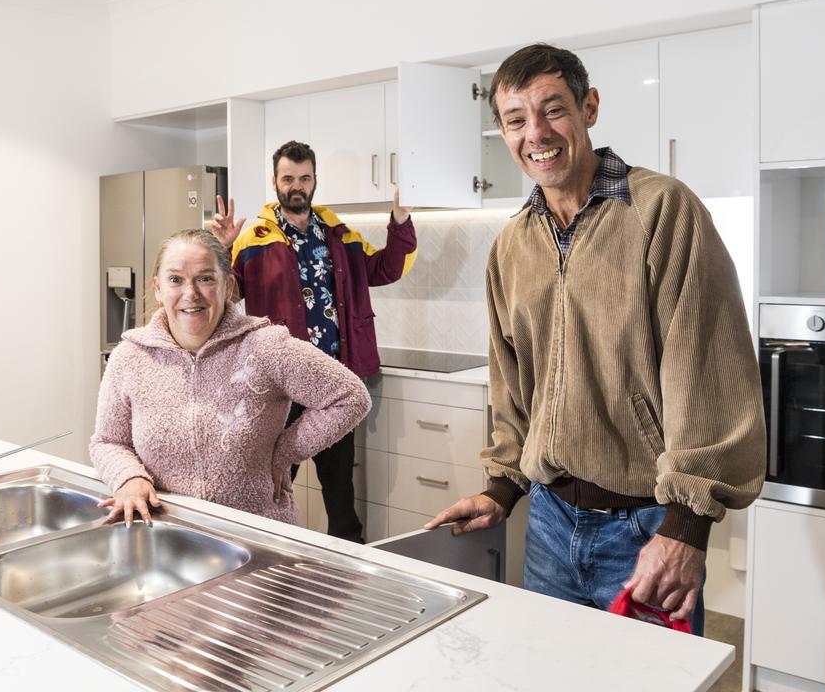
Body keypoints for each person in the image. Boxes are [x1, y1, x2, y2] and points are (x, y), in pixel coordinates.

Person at [425, 43, 765, 636]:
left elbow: (708, 376)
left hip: (646, 531)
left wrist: (684, 531)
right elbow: (513, 385)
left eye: (552, 109)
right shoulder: (513, 244)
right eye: (515, 120)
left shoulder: (662, 211)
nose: (537, 133)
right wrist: (502, 488)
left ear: (589, 107)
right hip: (550, 526)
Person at [90, 228, 371, 527]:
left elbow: (351, 396)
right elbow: (108, 442)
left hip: (257, 536)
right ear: (158, 288)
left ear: (228, 286)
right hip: (166, 536)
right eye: (175, 280)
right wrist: (129, 478)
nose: (190, 293)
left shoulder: (265, 346)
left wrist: (284, 452)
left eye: (205, 278)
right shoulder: (130, 356)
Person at [211, 140, 417, 543]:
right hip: (280, 386)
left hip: (333, 383)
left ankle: (349, 561)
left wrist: (401, 216)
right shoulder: (254, 238)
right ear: (275, 182)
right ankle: (263, 551)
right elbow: (224, 297)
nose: (297, 186)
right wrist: (223, 248)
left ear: (315, 180)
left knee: (340, 488)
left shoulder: (339, 234)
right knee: (273, 479)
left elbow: (387, 268)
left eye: (304, 178)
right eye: (288, 178)